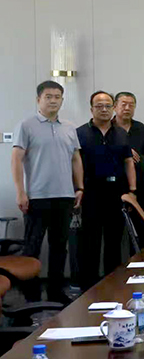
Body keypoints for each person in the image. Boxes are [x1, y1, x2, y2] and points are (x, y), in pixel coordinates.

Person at [11, 81, 83, 303]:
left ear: (62, 100)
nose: (53, 100)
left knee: (59, 247)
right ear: (38, 99)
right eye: (48, 96)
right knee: (32, 247)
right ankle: (31, 296)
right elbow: (16, 159)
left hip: (65, 196)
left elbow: (76, 159)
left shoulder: (69, 127)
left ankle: (55, 292)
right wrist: (20, 192)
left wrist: (79, 187)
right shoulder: (26, 125)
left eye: (57, 97)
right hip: (36, 197)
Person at [77, 91, 136, 291]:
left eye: (107, 106)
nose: (104, 109)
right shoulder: (80, 133)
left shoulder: (121, 133)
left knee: (114, 241)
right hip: (91, 192)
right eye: (99, 106)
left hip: (116, 191)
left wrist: (132, 190)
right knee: (90, 242)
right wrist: (78, 188)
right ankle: (88, 288)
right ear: (91, 108)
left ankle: (113, 286)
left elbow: (128, 162)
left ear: (113, 108)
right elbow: (75, 163)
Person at [113, 92, 144, 245]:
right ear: (115, 106)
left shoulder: (140, 128)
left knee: (139, 231)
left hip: (140, 187)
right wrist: (125, 151)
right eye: (123, 104)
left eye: (131, 105)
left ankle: (139, 261)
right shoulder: (108, 127)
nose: (127, 108)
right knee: (115, 233)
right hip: (117, 187)